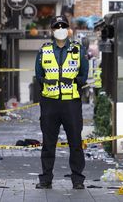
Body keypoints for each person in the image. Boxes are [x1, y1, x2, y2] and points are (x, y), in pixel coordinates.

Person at [35, 15, 88, 190]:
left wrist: (73, 83)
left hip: (71, 103)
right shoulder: (44, 51)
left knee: (75, 143)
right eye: (57, 27)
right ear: (52, 30)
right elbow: (39, 75)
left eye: (63, 26)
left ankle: (78, 179)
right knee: (48, 143)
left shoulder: (77, 50)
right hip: (50, 103)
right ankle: (46, 179)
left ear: (68, 29)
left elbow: (83, 74)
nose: (60, 29)